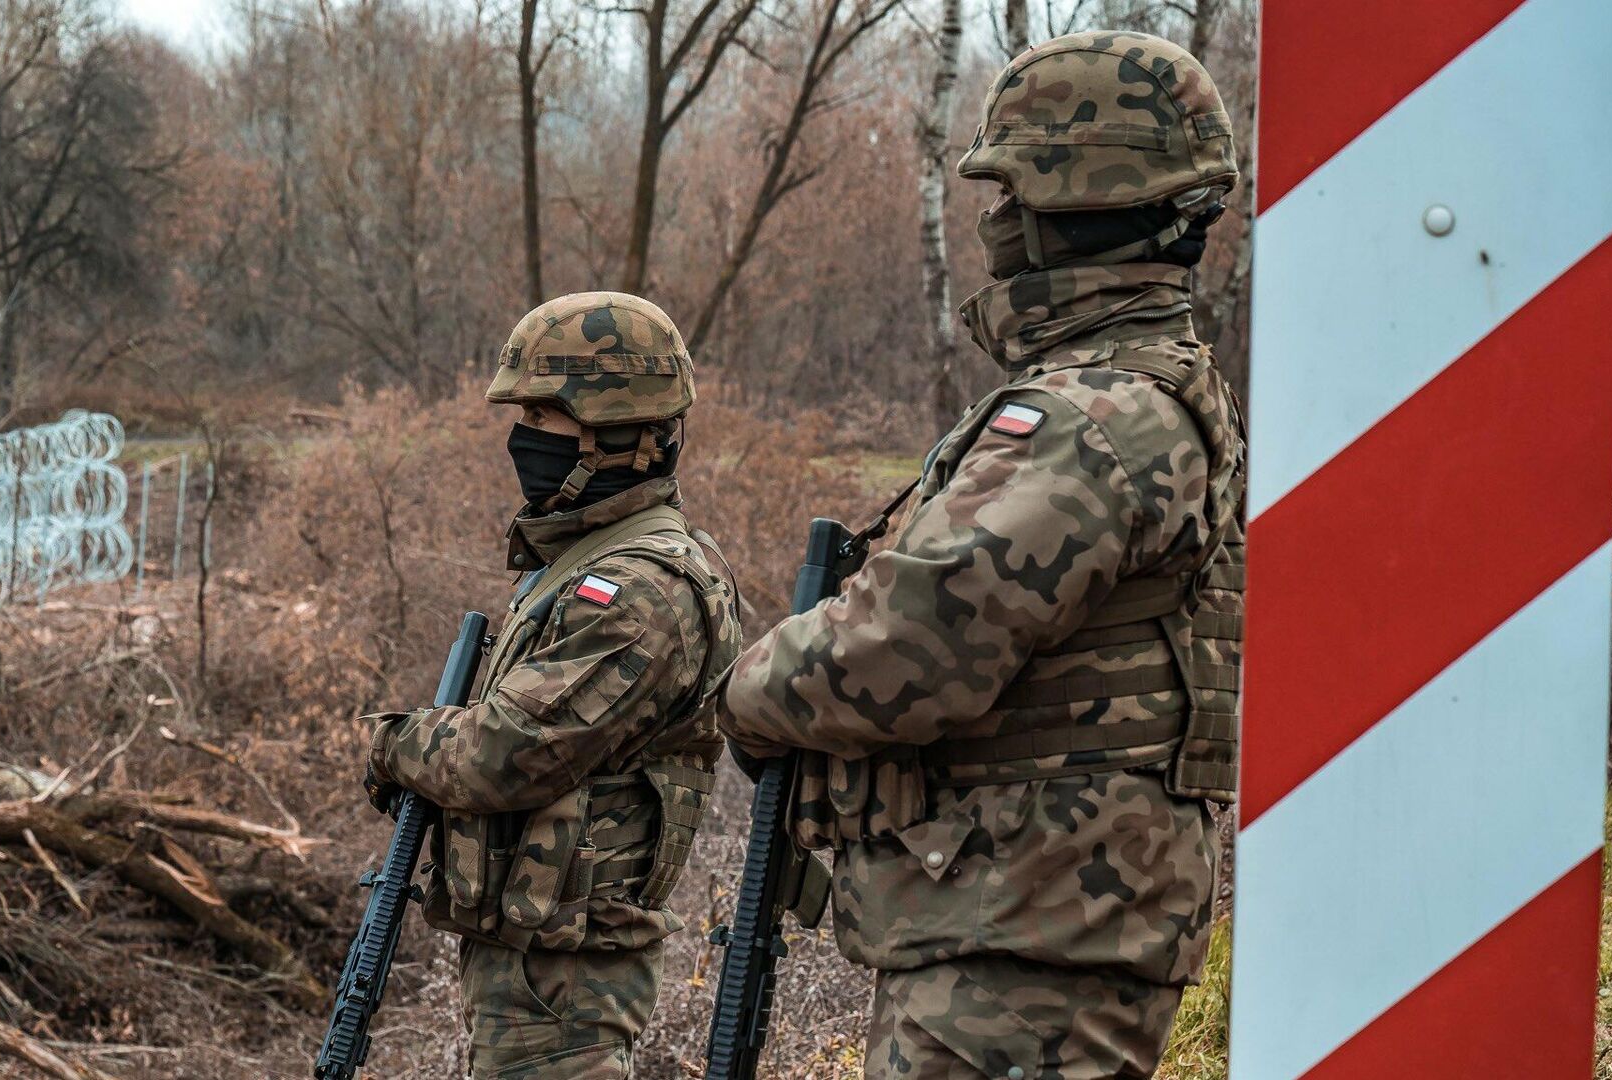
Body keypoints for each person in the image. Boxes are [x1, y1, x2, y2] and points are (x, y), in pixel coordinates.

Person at [716, 31, 1246, 1079]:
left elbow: (905, 648)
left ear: (1075, 202)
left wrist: (746, 693)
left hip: (1031, 931)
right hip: (1029, 918)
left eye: (1010, 191)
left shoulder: (1090, 417)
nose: (994, 218)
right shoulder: (1142, 385)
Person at [364, 291, 743, 1079]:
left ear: (615, 433)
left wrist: (392, 743)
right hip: (536, 965)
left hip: (567, 982)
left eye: (543, 417)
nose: (523, 439)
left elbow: (507, 753)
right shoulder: (583, 562)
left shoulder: (641, 591)